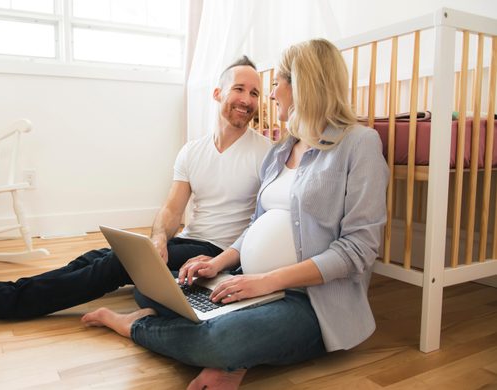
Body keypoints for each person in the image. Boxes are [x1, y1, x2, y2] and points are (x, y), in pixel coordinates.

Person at [81, 38, 389, 390]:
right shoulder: (281, 149)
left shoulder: (358, 144)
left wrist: (268, 280)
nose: (272, 95)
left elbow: (359, 248)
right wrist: (219, 264)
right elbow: (260, 223)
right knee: (153, 288)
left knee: (217, 341)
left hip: (306, 299)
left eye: (276, 85)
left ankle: (138, 327)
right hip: (248, 282)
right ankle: (230, 353)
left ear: (302, 84)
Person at [0, 56, 273, 320]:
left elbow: (265, 223)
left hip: (216, 252)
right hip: (186, 239)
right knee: (94, 256)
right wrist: (158, 239)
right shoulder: (192, 151)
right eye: (239, 89)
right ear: (218, 94)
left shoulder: (266, 154)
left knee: (114, 264)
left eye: (255, 93)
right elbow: (171, 209)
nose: (246, 99)